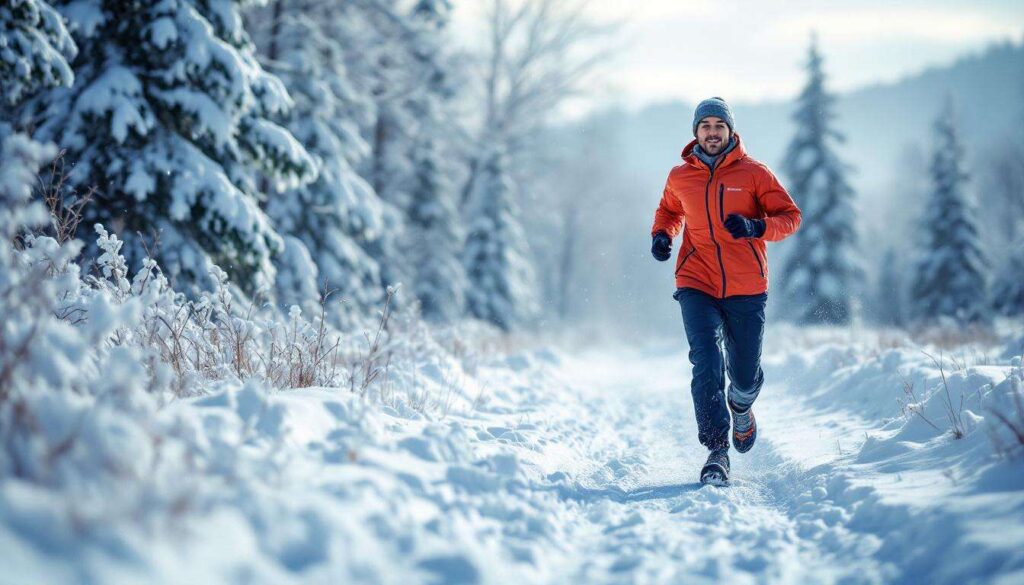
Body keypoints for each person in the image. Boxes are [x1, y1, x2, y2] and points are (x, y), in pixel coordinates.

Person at [649, 97, 802, 485]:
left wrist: (756, 227)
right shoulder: (680, 176)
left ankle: (742, 405)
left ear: (731, 131)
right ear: (696, 132)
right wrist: (662, 235)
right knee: (705, 360)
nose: (712, 132)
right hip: (695, 280)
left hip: (746, 284)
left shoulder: (754, 174)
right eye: (706, 126)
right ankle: (717, 450)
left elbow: (790, 217)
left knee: (745, 376)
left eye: (719, 125)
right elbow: (669, 211)